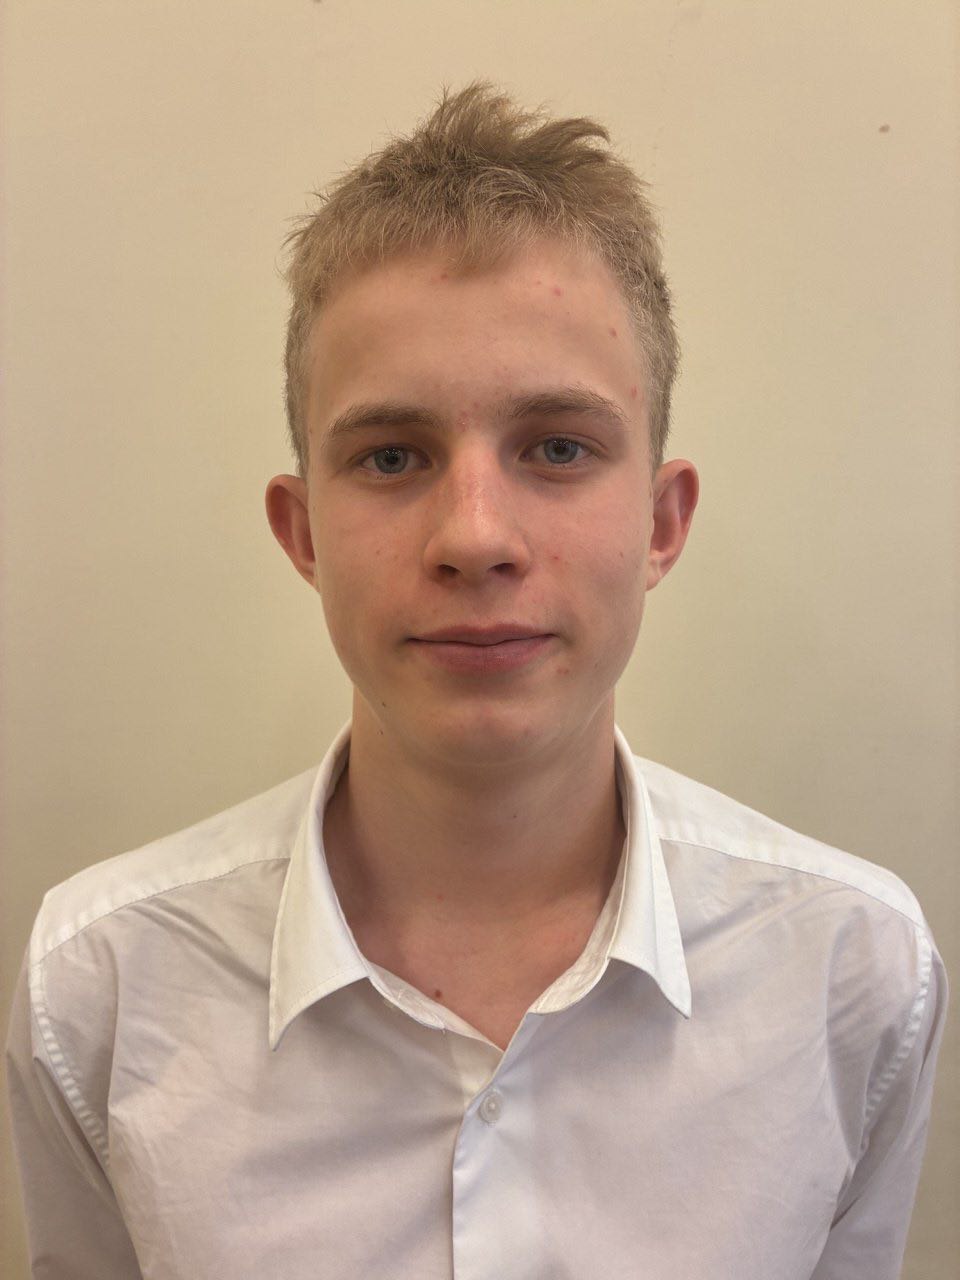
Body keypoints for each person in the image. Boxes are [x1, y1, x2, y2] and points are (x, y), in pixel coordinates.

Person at [5, 82, 947, 1280]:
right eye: (392, 455)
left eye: (557, 446)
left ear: (661, 523)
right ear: (303, 532)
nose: (475, 535)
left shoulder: (854, 972)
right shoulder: (100, 987)